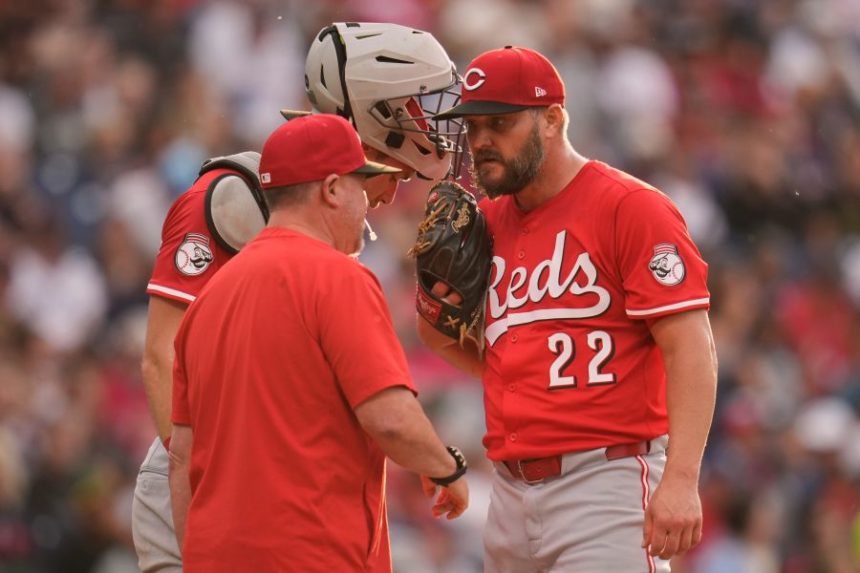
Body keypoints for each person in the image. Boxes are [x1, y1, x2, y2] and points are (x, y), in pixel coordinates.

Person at [132, 22, 462, 572]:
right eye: (415, 106)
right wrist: (221, 481)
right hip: (214, 486)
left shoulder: (330, 222)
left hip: (284, 494)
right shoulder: (233, 197)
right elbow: (160, 357)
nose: (428, 121)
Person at [422, 46, 719, 572]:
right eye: (473, 127)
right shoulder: (486, 223)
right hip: (508, 495)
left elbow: (691, 345)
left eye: (501, 122)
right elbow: (441, 335)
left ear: (553, 119)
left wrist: (681, 478)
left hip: (604, 484)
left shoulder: (629, 207)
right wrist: (432, 306)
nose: (483, 140)